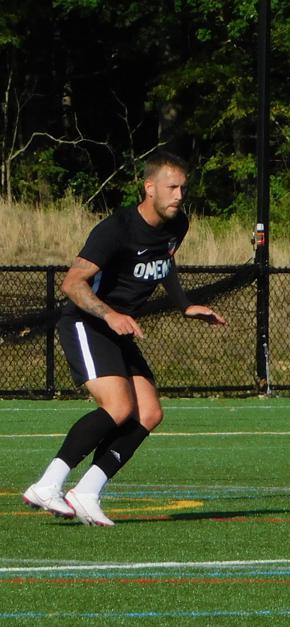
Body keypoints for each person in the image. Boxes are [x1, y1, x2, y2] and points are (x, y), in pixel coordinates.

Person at [21, 151, 226, 527]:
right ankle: (47, 485)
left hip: (118, 328)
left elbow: (165, 263)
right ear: (149, 188)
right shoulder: (116, 229)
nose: (179, 195)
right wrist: (110, 314)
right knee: (118, 407)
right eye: (172, 187)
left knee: (148, 414)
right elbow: (72, 283)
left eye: (183, 188)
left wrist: (185, 305)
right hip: (87, 322)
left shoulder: (177, 224)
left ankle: (87, 493)